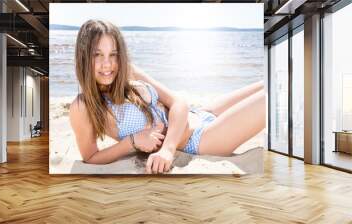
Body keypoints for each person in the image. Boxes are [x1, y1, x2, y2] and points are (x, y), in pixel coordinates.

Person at [69, 19, 266, 174]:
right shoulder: (82, 106)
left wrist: (167, 150)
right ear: (84, 57)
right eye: (97, 55)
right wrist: (132, 142)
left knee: (268, 82)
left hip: (202, 113)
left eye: (113, 54)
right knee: (271, 97)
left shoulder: (128, 71)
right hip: (203, 139)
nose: (108, 64)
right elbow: (91, 157)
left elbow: (178, 102)